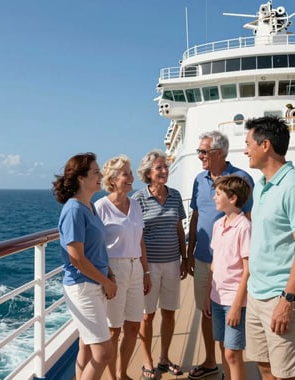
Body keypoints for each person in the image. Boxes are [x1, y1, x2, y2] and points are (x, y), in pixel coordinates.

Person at [244, 116, 295, 380]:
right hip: (257, 294)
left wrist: (288, 300)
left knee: (287, 374)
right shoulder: (262, 186)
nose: (245, 150)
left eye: (248, 143)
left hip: (282, 296)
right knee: (265, 367)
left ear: (265, 146)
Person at [187, 131, 254, 380]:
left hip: (233, 266)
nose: (200, 156)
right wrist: (188, 252)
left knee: (232, 326)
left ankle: (230, 367)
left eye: (203, 152)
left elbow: (248, 219)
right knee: (207, 310)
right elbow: (195, 215)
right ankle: (210, 361)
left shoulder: (240, 179)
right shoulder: (198, 179)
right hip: (206, 258)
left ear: (219, 153)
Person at [52, 152, 117, 380]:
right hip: (84, 287)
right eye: (96, 172)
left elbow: (94, 248)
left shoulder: (89, 207)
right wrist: (106, 281)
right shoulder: (73, 211)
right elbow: (76, 258)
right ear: (81, 178)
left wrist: (108, 272)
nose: (101, 175)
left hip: (95, 284)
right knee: (104, 353)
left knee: (88, 347)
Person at [95, 155, 152, 380]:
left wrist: (146, 271)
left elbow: (140, 241)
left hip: (135, 268)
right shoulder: (101, 207)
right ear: (113, 179)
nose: (131, 177)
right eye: (126, 174)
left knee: (133, 325)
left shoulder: (135, 205)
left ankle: (123, 373)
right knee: (113, 329)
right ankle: (112, 378)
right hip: (114, 271)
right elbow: (96, 247)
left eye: (129, 173)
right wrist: (107, 277)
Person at [132, 149, 188, 380]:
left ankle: (164, 358)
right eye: (159, 168)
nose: (164, 171)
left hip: (173, 262)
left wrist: (185, 258)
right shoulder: (138, 199)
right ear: (148, 172)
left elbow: (178, 229)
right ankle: (148, 362)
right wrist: (143, 269)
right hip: (150, 266)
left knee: (169, 312)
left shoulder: (174, 195)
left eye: (165, 167)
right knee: (147, 315)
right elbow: (137, 236)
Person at [203, 175, 251, 380]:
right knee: (223, 347)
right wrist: (207, 295)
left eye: (218, 194)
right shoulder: (218, 225)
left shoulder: (244, 227)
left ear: (232, 198)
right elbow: (214, 265)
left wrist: (236, 305)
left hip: (233, 300)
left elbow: (248, 269)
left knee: (233, 352)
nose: (214, 198)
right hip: (216, 298)